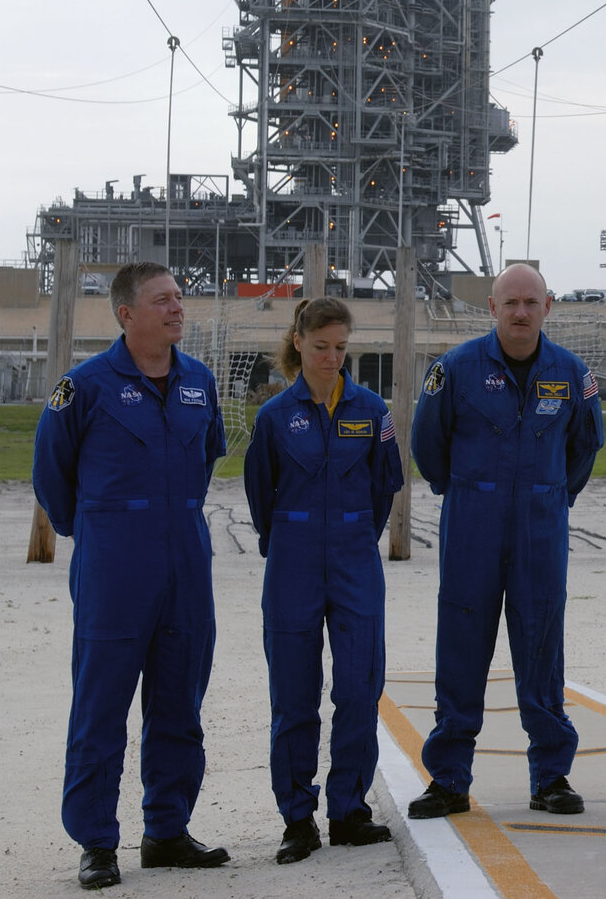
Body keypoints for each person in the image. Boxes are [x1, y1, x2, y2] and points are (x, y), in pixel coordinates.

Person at [31, 262, 231, 890]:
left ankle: (167, 831)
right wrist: (99, 532)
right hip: (115, 571)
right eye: (163, 300)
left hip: (185, 566)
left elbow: (206, 460)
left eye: (179, 296)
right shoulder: (83, 386)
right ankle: (95, 841)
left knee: (180, 704)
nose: (178, 307)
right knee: (100, 709)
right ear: (126, 314)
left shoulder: (198, 382)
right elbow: (51, 477)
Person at [406, 262, 604, 821]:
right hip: (473, 520)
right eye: (510, 302)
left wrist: (550, 494)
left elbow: (585, 446)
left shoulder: (572, 373)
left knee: (542, 645)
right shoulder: (456, 369)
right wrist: (467, 494)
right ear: (492, 308)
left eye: (531, 303)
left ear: (548, 307)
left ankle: (551, 776)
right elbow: (428, 444)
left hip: (541, 524)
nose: (521, 312)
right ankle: (448, 780)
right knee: (462, 644)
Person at [243, 297, 404, 864]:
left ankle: (348, 811)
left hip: (355, 560)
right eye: (320, 347)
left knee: (359, 688)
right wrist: (290, 541)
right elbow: (261, 495)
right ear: (298, 344)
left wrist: (355, 534)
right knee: (294, 696)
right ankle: (297, 819)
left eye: (340, 347)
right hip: (293, 562)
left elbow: (386, 483)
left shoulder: (371, 411)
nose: (332, 358)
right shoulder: (273, 417)